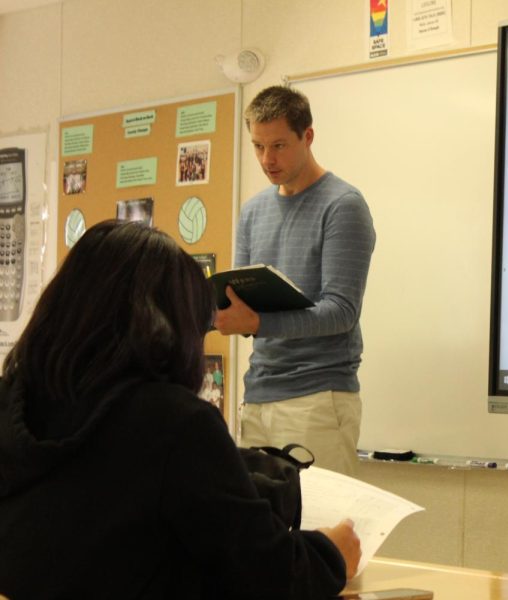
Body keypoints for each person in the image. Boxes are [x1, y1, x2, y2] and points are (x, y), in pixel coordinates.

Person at [0, 220, 360, 599]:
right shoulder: (176, 424)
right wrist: (332, 554)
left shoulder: (12, 401)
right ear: (170, 323)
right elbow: (269, 575)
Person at [215, 86, 376, 475]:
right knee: (265, 529)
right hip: (258, 396)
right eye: (257, 146)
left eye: (279, 145)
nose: (267, 160)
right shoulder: (253, 211)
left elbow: (340, 312)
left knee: (322, 528)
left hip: (318, 398)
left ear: (308, 136)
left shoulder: (343, 206)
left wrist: (257, 324)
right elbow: (241, 300)